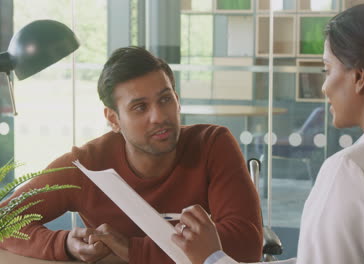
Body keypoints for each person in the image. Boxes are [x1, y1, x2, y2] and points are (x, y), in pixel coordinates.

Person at [171, 2, 364, 264]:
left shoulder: (353, 171)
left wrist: (210, 258)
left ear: (359, 77)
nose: (324, 87)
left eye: (327, 70)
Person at [0, 46, 263, 263]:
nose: (159, 117)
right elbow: (4, 222)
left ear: (177, 99)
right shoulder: (85, 164)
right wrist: (64, 244)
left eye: (165, 99)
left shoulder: (213, 144)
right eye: (139, 107)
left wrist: (132, 250)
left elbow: (248, 243)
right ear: (113, 119)